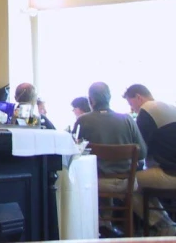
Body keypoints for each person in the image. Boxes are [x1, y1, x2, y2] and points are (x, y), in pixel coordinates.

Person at [74, 82, 175, 237]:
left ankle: (102, 225)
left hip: (96, 182)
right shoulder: (127, 120)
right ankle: (162, 225)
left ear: (91, 100)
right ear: (110, 98)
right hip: (124, 180)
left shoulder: (83, 121)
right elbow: (141, 153)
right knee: (128, 182)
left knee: (95, 176)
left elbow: (74, 151)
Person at [123, 84, 176, 229]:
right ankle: (165, 222)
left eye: (131, 104)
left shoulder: (148, 110)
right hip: (171, 169)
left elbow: (138, 149)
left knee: (126, 184)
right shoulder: (169, 107)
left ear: (138, 97)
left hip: (170, 174)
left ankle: (164, 226)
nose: (131, 109)